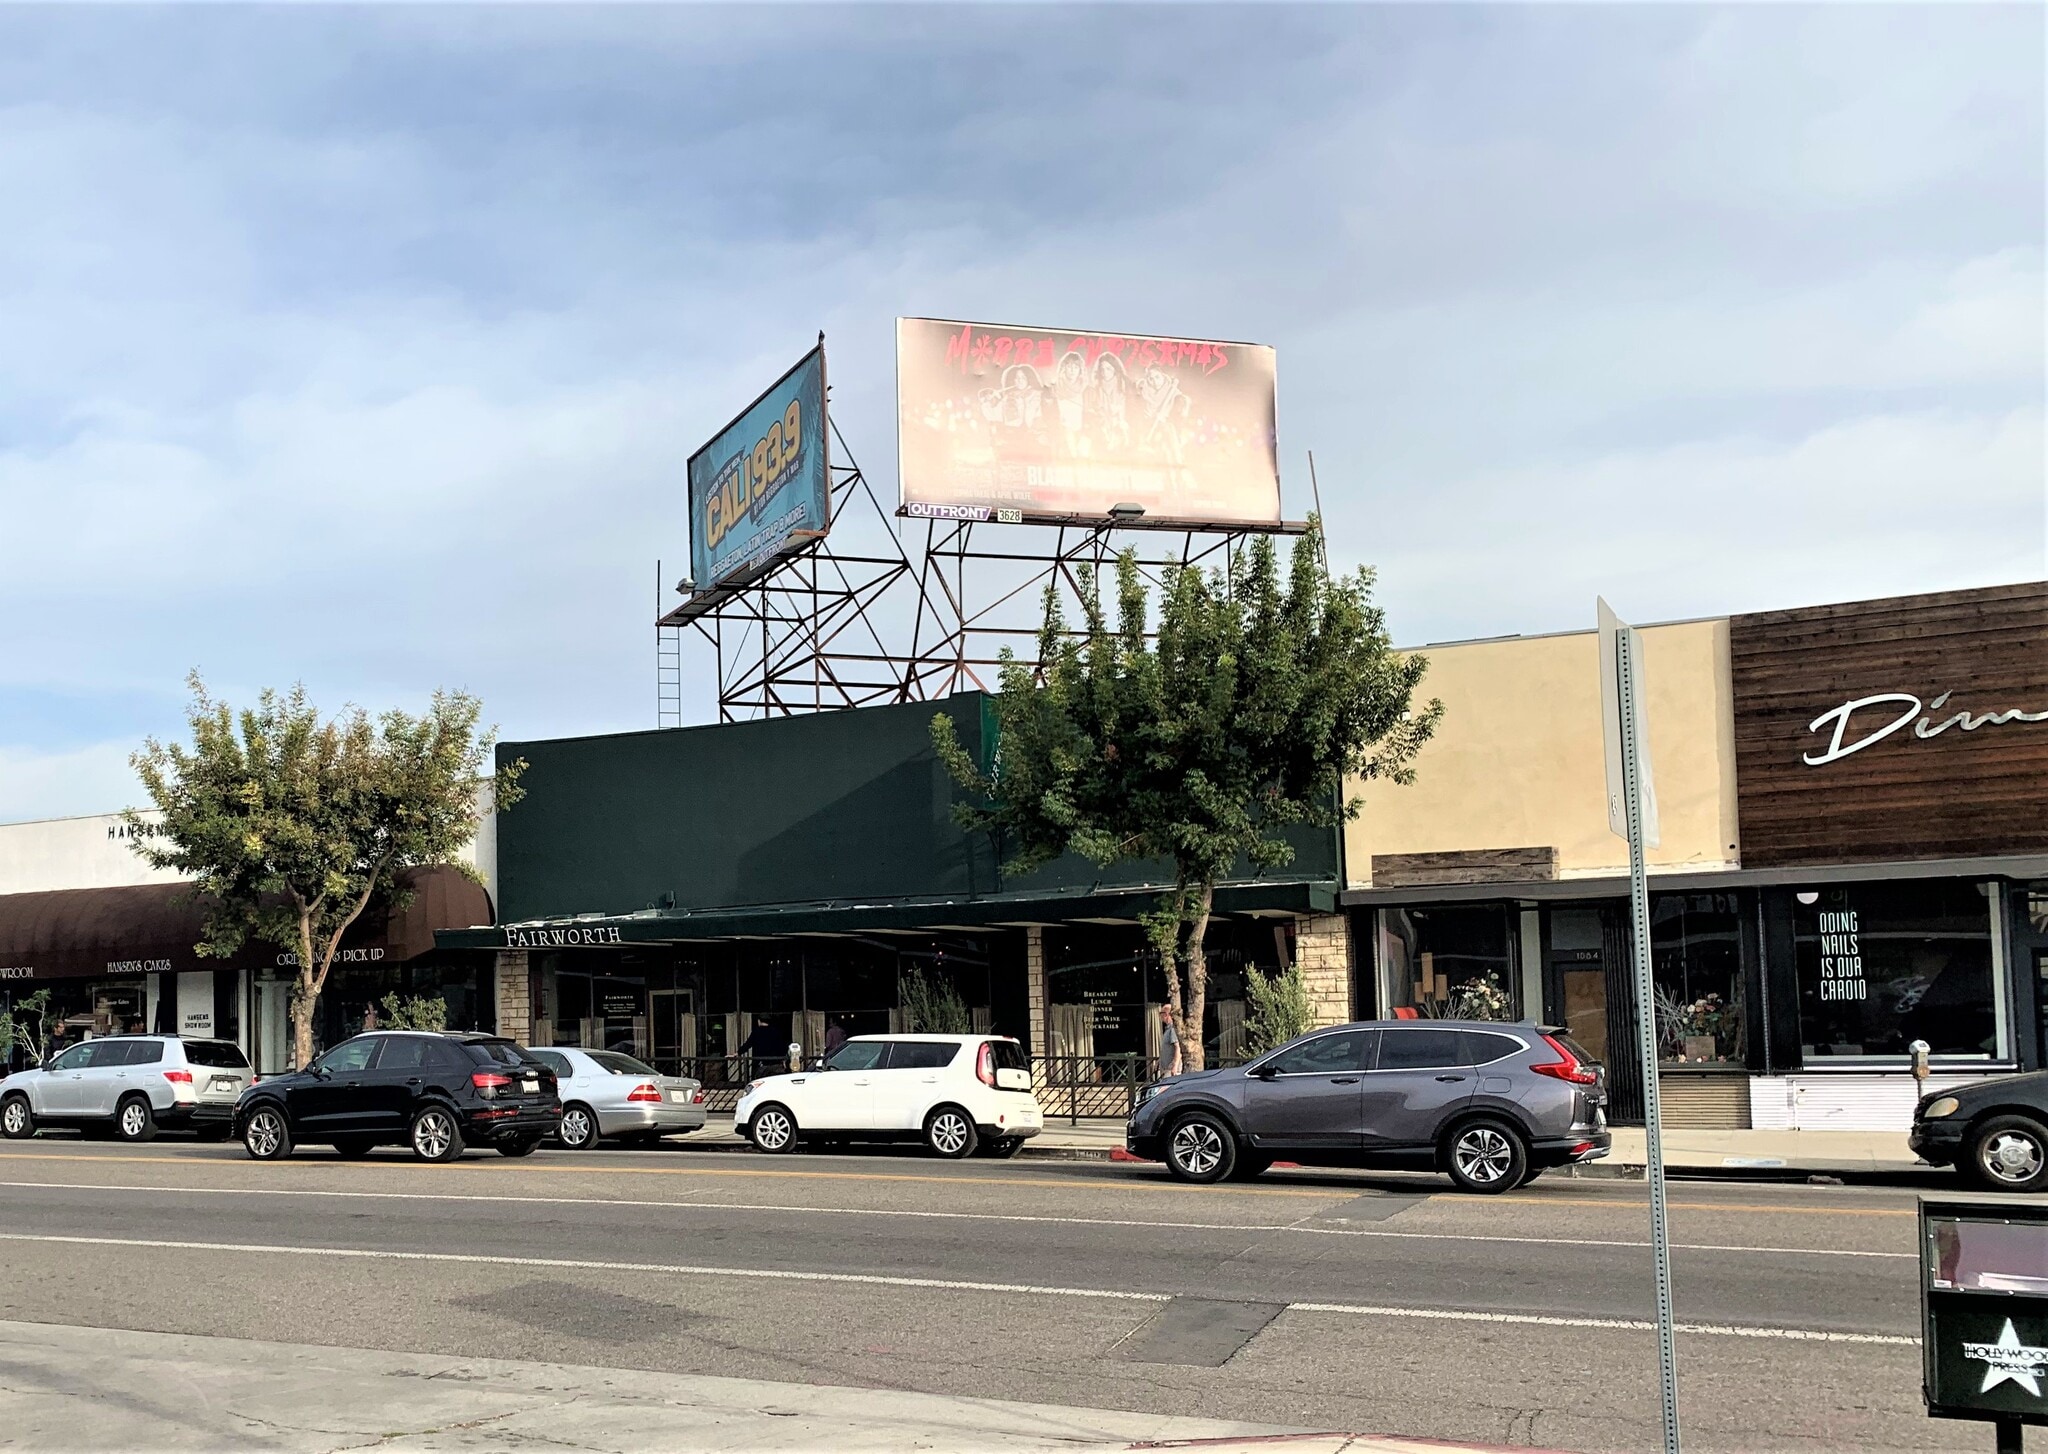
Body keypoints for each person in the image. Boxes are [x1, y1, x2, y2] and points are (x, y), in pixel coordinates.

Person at [1157, 1004, 1182, 1079]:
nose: (1160, 1016)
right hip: (1166, 1068)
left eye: (1161, 1013)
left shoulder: (1172, 1029)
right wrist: (1160, 1060)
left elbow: (1177, 1048)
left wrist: (1175, 1065)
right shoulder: (1168, 1029)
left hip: (1171, 1069)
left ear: (1166, 1014)